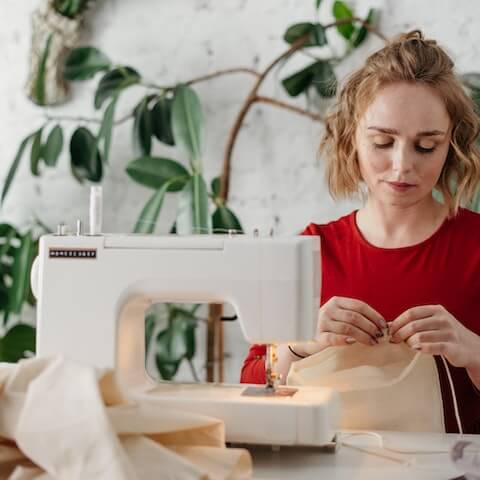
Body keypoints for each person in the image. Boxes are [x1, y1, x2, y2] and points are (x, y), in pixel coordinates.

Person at [240, 30, 480, 434]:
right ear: (351, 139)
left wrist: (472, 350)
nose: (402, 166)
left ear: (451, 146)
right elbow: (251, 388)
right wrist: (299, 345)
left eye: (425, 146)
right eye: (383, 142)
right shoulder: (311, 250)